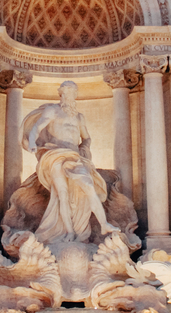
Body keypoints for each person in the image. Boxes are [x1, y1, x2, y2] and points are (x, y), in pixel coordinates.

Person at [21, 80, 118, 244]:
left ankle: (103, 224)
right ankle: (69, 232)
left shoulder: (79, 117)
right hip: (54, 154)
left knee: (88, 186)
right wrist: (31, 142)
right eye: (67, 92)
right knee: (62, 195)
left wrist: (84, 148)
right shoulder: (53, 111)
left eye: (73, 93)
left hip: (74, 157)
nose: (70, 96)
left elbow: (86, 137)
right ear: (61, 94)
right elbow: (37, 128)